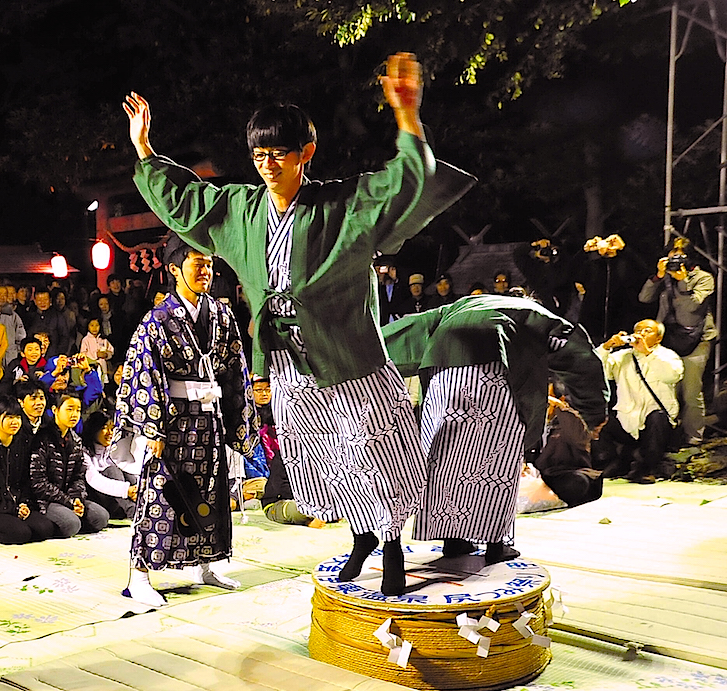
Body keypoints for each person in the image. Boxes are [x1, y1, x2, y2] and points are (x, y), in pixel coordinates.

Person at [123, 51, 474, 595]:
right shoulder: (240, 208)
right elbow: (186, 203)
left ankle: (394, 545)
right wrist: (145, 149)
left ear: (305, 153)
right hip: (286, 359)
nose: (268, 164)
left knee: (378, 450)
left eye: (280, 154)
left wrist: (407, 114)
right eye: (259, 154)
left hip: (344, 352)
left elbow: (405, 182)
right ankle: (363, 536)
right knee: (323, 456)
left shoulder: (340, 205)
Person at [382, 294, 608, 561]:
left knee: (445, 463)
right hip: (493, 376)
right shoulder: (534, 313)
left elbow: (403, 334)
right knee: (498, 462)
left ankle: (453, 540)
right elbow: (579, 358)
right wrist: (594, 411)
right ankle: (495, 545)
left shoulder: (459, 306)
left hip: (441, 378)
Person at [114, 241, 257, 606]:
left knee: (210, 492)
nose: (205, 272)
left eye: (209, 265)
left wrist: (237, 421)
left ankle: (206, 565)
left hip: (209, 419)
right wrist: (152, 427)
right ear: (175, 269)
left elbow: (235, 369)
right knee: (160, 495)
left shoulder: (222, 315)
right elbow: (143, 372)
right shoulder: (157, 319)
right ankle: (139, 575)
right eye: (197, 264)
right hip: (171, 421)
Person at [638, 239, 717, 445]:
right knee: (665, 390)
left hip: (697, 341)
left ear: (690, 257)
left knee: (690, 391)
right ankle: (666, 439)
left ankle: (693, 437)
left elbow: (692, 306)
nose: (676, 261)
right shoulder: (666, 279)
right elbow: (644, 298)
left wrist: (683, 281)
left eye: (680, 256)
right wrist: (658, 276)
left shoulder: (703, 278)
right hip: (668, 339)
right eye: (672, 256)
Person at [594, 320, 683, 484]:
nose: (641, 334)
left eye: (647, 331)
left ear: (658, 338)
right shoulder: (622, 356)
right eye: (638, 330)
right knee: (597, 419)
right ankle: (614, 462)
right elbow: (597, 370)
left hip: (656, 423)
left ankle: (647, 469)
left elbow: (672, 375)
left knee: (657, 418)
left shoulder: (667, 356)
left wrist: (648, 353)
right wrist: (607, 347)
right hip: (627, 419)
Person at [0, 394, 57, 544]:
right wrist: (13, 509)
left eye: (17, 417)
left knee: (45, 528)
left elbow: (25, 481)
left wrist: (23, 504)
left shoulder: (21, 443)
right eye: (9, 417)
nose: (15, 422)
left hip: (16, 505)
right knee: (20, 533)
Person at [30, 392, 110, 537]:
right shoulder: (42, 438)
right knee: (72, 524)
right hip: (47, 500)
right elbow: (38, 483)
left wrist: (77, 499)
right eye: (69, 409)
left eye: (78, 410)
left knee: (101, 517)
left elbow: (78, 477)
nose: (74, 414)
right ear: (55, 410)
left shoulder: (76, 440)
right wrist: (69, 502)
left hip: (69, 498)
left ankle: (71, 517)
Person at [80, 409, 138, 520]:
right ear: (94, 429)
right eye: (104, 428)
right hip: (98, 496)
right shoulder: (84, 451)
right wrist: (126, 490)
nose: (110, 433)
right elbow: (94, 479)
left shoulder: (115, 448)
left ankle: (142, 507)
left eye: (112, 429)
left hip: (119, 501)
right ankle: (133, 512)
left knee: (128, 471)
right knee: (112, 470)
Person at [0, 285, 26, 368]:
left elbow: (21, 336)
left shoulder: (13, 316)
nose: (2, 297)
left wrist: (17, 351)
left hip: (11, 356)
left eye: (5, 294)